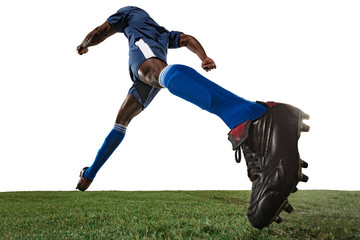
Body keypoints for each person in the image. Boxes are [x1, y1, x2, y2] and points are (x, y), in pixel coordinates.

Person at [76, 6, 310, 229]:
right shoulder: (163, 34)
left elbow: (99, 32)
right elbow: (187, 39)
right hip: (141, 83)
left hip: (146, 70)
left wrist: (84, 44)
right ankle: (90, 174)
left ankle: (253, 118)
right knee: (122, 121)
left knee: (153, 72)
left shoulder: (131, 17)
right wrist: (203, 57)